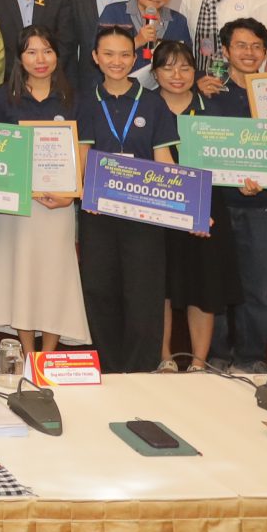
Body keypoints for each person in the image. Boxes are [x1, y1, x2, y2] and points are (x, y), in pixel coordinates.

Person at [0, 26, 90, 358]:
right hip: (17, 208)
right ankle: (29, 354)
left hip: (59, 206)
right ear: (20, 57)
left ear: (57, 55)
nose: (40, 59)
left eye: (47, 50)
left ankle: (49, 354)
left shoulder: (74, 98)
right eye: (31, 52)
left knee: (54, 277)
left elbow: (83, 150)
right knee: (21, 276)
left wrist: (72, 194)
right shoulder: (2, 98)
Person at [75, 27, 176, 374]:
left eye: (124, 55)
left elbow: (164, 160)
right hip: (98, 213)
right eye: (108, 54)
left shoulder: (153, 103)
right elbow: (82, 157)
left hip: (144, 215)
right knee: (99, 289)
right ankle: (108, 368)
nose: (116, 62)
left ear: (134, 58)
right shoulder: (86, 102)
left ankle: (142, 369)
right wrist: (80, 190)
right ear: (95, 58)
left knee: (144, 292)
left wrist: (189, 206)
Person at [206, 19, 267, 372]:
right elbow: (201, 148)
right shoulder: (208, 93)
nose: (249, 52)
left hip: (263, 207)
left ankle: (252, 357)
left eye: (256, 46)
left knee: (257, 290)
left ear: (265, 52)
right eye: (240, 45)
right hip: (218, 205)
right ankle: (218, 355)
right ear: (225, 51)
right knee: (218, 286)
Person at [151, 40, 222, 371]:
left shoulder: (212, 109)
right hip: (156, 209)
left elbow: (231, 160)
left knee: (202, 285)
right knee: (160, 286)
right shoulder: (145, 107)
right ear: (155, 73)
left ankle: (199, 362)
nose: (177, 75)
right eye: (168, 68)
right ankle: (164, 357)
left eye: (184, 67)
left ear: (196, 71)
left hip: (206, 210)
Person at [102, 0, 190, 88]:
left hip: (163, 92)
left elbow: (186, 60)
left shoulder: (178, 21)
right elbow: (102, 53)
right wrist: (137, 41)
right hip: (122, 89)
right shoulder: (114, 12)